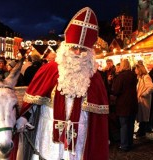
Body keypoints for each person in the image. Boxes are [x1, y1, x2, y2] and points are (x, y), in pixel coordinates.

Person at [15, 7, 109, 160]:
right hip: (48, 134)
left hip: (79, 138)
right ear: (66, 46)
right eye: (74, 48)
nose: (78, 53)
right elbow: (33, 101)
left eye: (82, 49)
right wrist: (25, 117)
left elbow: (99, 120)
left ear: (90, 51)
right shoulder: (49, 69)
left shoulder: (95, 77)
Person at [112, 59, 138, 151]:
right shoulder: (133, 75)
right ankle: (130, 143)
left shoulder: (121, 76)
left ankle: (124, 145)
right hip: (133, 103)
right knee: (130, 124)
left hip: (123, 104)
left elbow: (116, 90)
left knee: (124, 125)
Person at [134, 64, 153, 137]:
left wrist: (144, 94)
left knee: (143, 116)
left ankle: (142, 131)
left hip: (144, 100)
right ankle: (141, 130)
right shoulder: (140, 77)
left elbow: (151, 87)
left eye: (136, 69)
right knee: (141, 116)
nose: (135, 70)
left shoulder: (146, 77)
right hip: (141, 100)